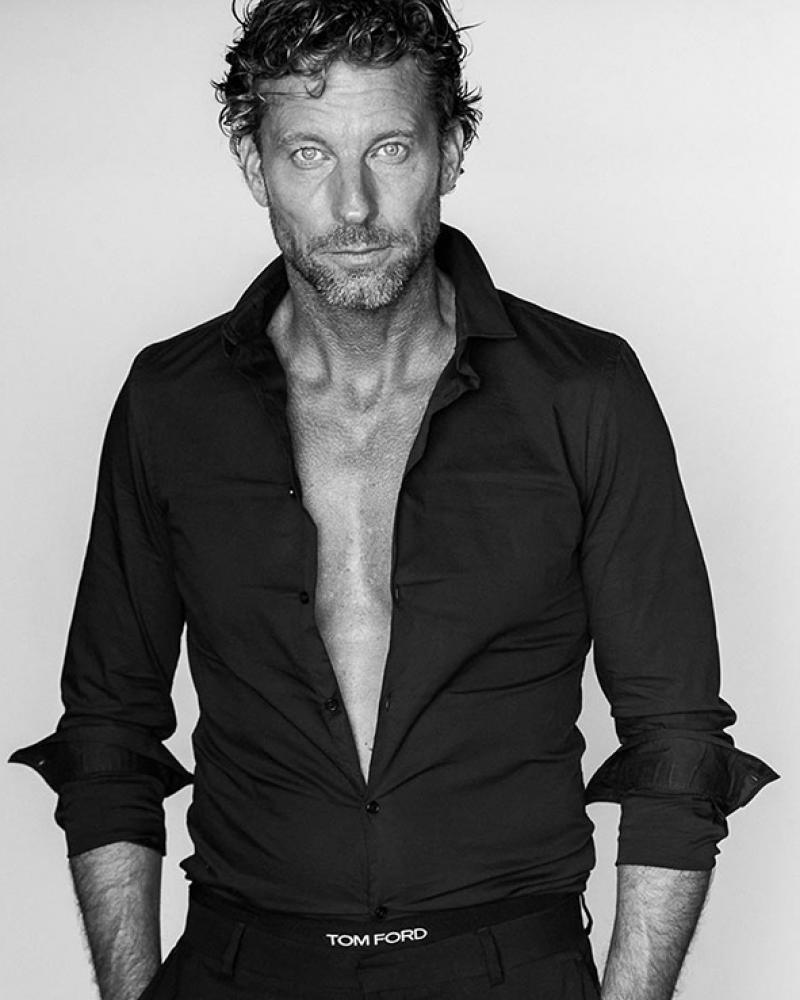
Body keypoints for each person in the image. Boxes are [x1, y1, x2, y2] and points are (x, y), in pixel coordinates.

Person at [10, 2, 778, 998]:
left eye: (390, 148)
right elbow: (108, 734)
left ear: (449, 151)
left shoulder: (584, 392)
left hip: (507, 966)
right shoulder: (171, 400)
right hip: (240, 963)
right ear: (254, 166)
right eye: (307, 153)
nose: (353, 205)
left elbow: (675, 743)